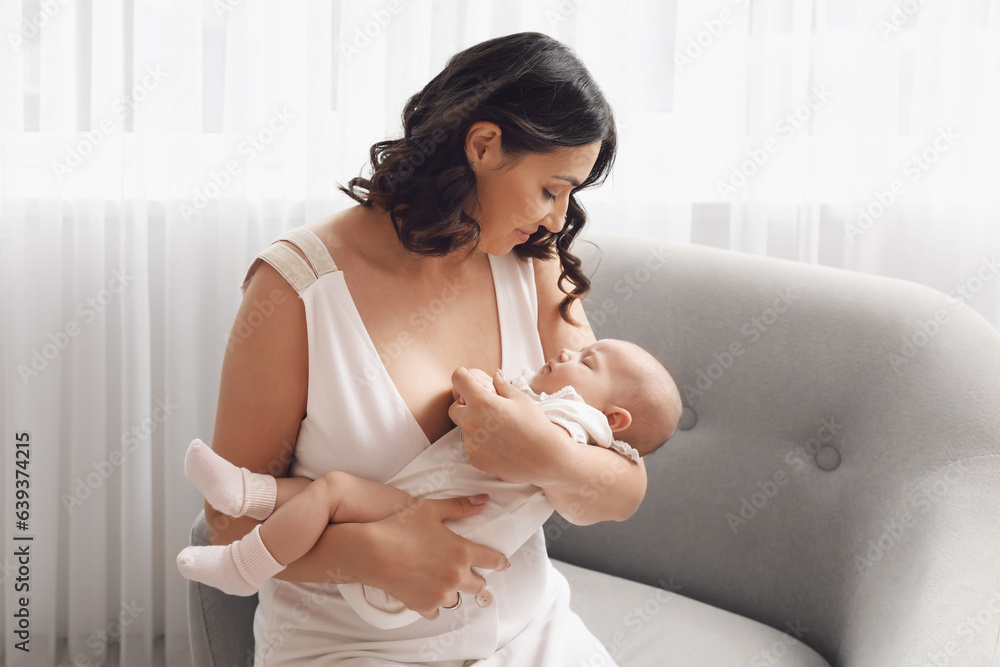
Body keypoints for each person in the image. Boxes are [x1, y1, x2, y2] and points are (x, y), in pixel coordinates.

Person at [206, 30, 650, 665]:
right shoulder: (296, 288)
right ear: (484, 144)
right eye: (551, 189)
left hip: (530, 636)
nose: (558, 218)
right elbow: (226, 520)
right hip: (352, 647)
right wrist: (365, 555)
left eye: (571, 195)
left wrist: (550, 456)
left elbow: (624, 486)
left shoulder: (532, 260)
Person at [178, 338, 682, 630]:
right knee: (330, 490)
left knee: (332, 492)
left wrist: (494, 402)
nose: (570, 351)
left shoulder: (577, 423)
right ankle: (242, 493)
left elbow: (525, 449)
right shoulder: (567, 404)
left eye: (588, 361)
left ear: (613, 419)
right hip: (423, 524)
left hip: (436, 548)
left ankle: (243, 567)